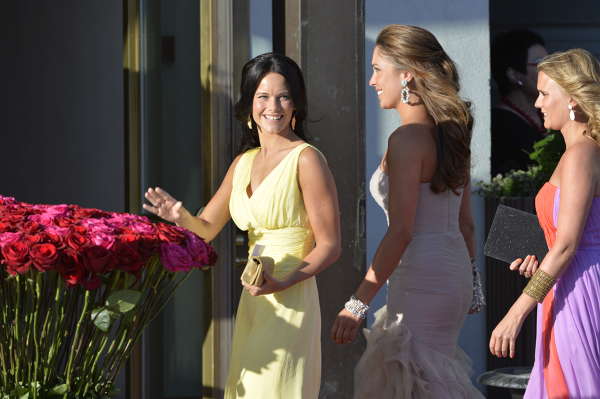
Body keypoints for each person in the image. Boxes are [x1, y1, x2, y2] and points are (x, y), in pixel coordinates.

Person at [143, 53, 341, 399]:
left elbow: (330, 245)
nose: (273, 106)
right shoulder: (243, 162)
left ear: (296, 104)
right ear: (249, 103)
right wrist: (180, 215)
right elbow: (206, 228)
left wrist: (286, 279)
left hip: (291, 296)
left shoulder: (306, 159)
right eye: (263, 96)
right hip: (254, 296)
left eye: (283, 96)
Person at [330, 25, 483, 398]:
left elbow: (401, 231)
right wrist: (473, 286)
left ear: (407, 75)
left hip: (422, 276)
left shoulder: (407, 139)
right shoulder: (450, 133)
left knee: (414, 379)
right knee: (431, 374)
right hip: (452, 274)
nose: (371, 80)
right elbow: (465, 223)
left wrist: (356, 304)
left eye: (378, 69)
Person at [489, 48, 600, 398]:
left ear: (571, 98)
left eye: (544, 93)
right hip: (566, 283)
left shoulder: (582, 154)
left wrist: (516, 312)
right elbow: (564, 243)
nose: (537, 103)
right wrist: (541, 260)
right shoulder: (577, 153)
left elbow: (568, 245)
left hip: (579, 290)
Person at [491, 30, 548, 176]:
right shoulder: (500, 124)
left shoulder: (548, 114)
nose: (549, 70)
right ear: (513, 74)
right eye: (538, 63)